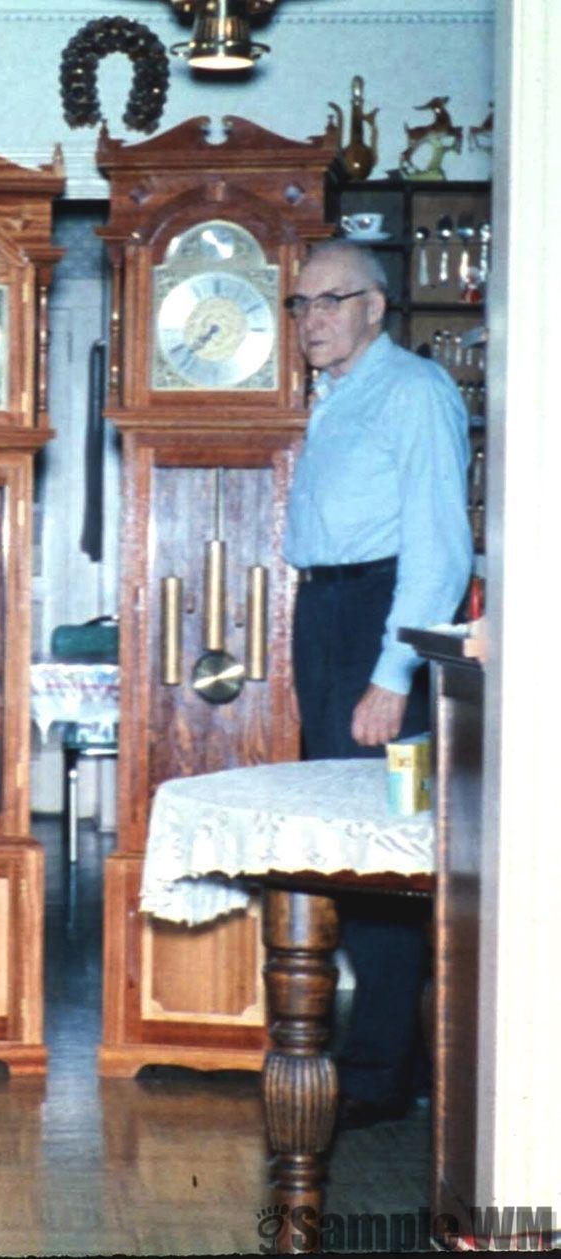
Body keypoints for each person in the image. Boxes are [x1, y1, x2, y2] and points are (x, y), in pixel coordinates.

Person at [282, 239, 472, 1128]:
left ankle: (378, 1075)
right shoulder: (338, 394)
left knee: (386, 845)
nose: (312, 318)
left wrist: (393, 674)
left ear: (376, 306)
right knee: (347, 837)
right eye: (302, 303)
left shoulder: (414, 391)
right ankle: (382, 1058)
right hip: (327, 614)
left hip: (380, 620)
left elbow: (441, 547)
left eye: (332, 300)